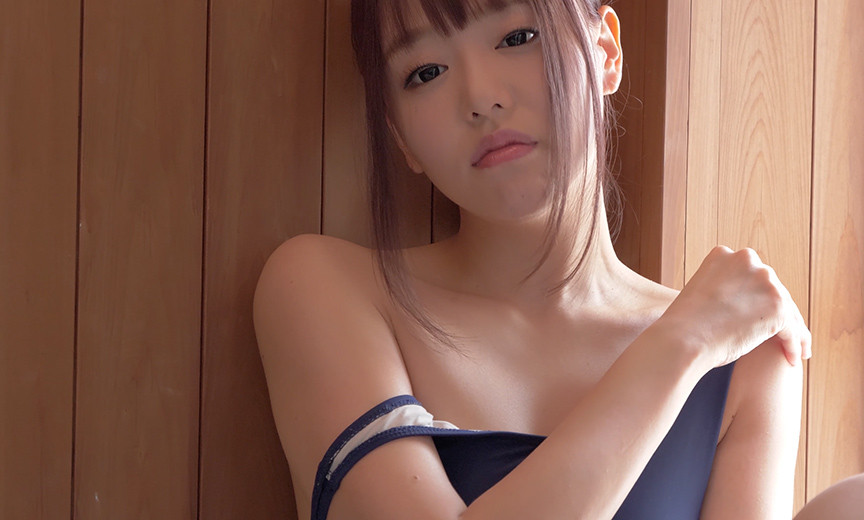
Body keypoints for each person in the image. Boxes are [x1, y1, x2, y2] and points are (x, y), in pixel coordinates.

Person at [252, 0, 856, 518]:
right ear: (400, 136)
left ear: (606, 52)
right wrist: (681, 345)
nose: (481, 97)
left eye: (518, 37)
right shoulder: (324, 289)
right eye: (425, 72)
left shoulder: (744, 357)